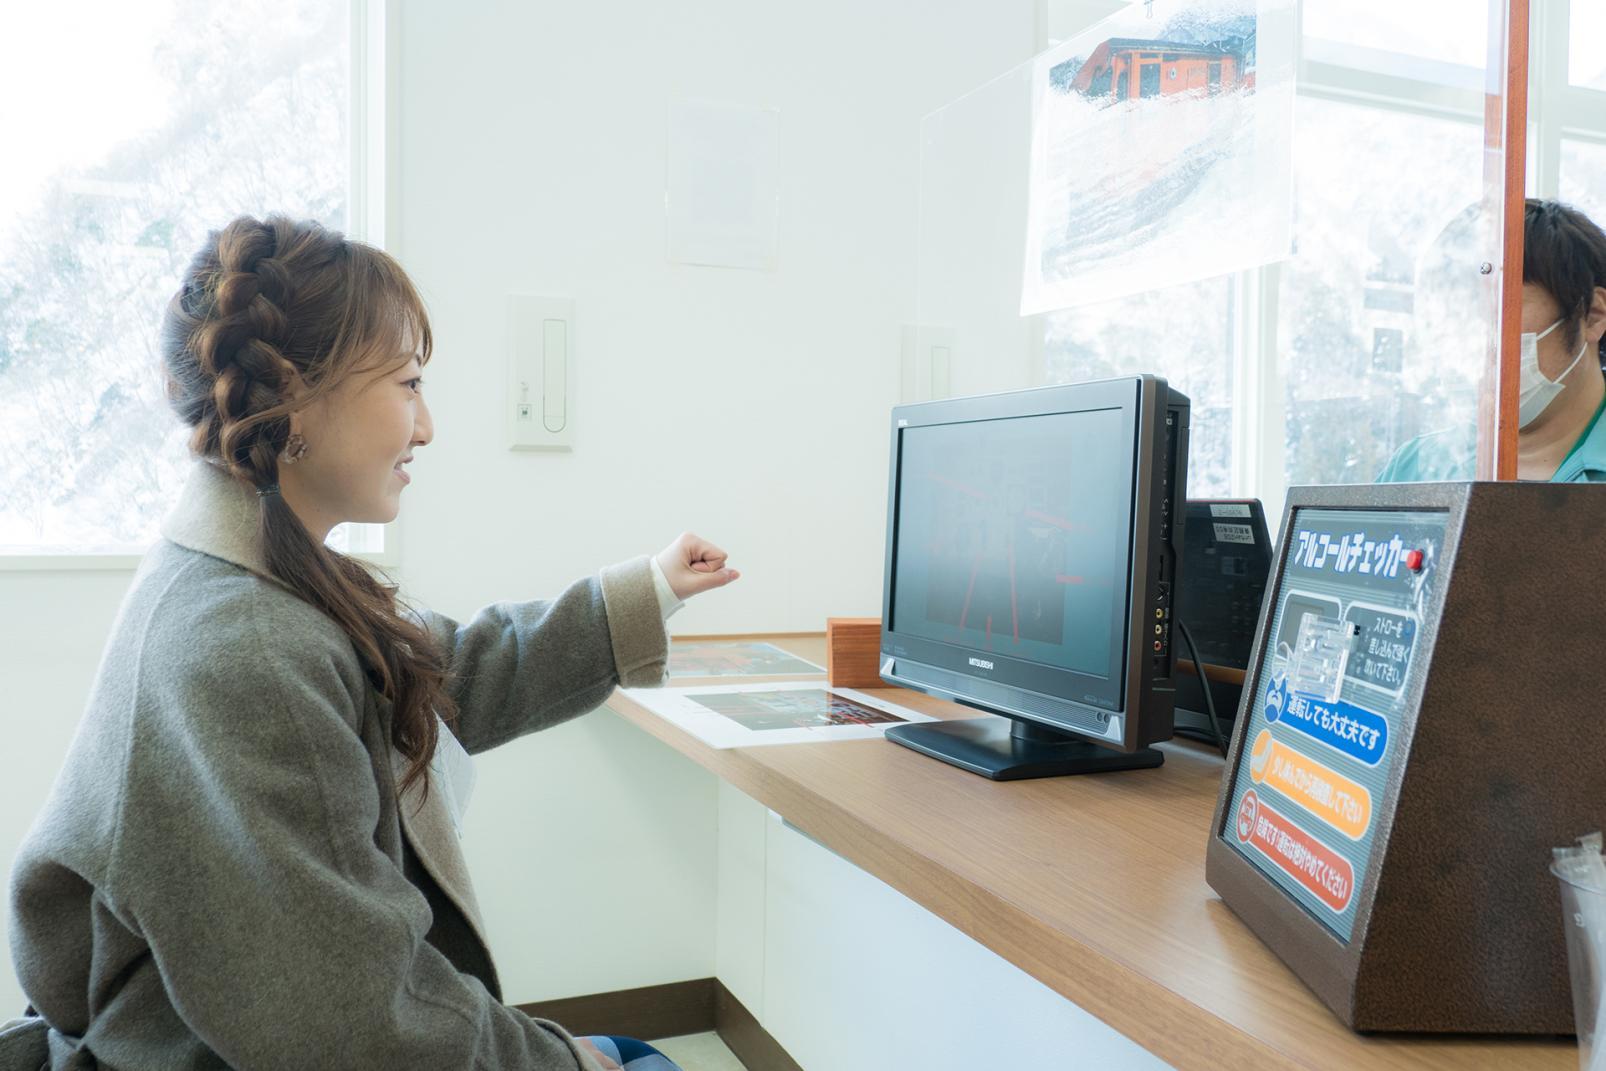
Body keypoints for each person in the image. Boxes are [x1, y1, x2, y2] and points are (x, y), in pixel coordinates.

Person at [2, 215, 736, 1070]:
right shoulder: (247, 651)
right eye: (408, 384)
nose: (426, 427)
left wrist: (648, 589)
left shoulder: (255, 574)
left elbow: (449, 671)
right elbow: (360, 1019)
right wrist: (564, 1061)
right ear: (295, 395)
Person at [1378, 198, 1606, 482]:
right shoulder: (1414, 469)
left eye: (1495, 308)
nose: (1472, 339)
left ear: (1592, 315)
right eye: (1454, 315)